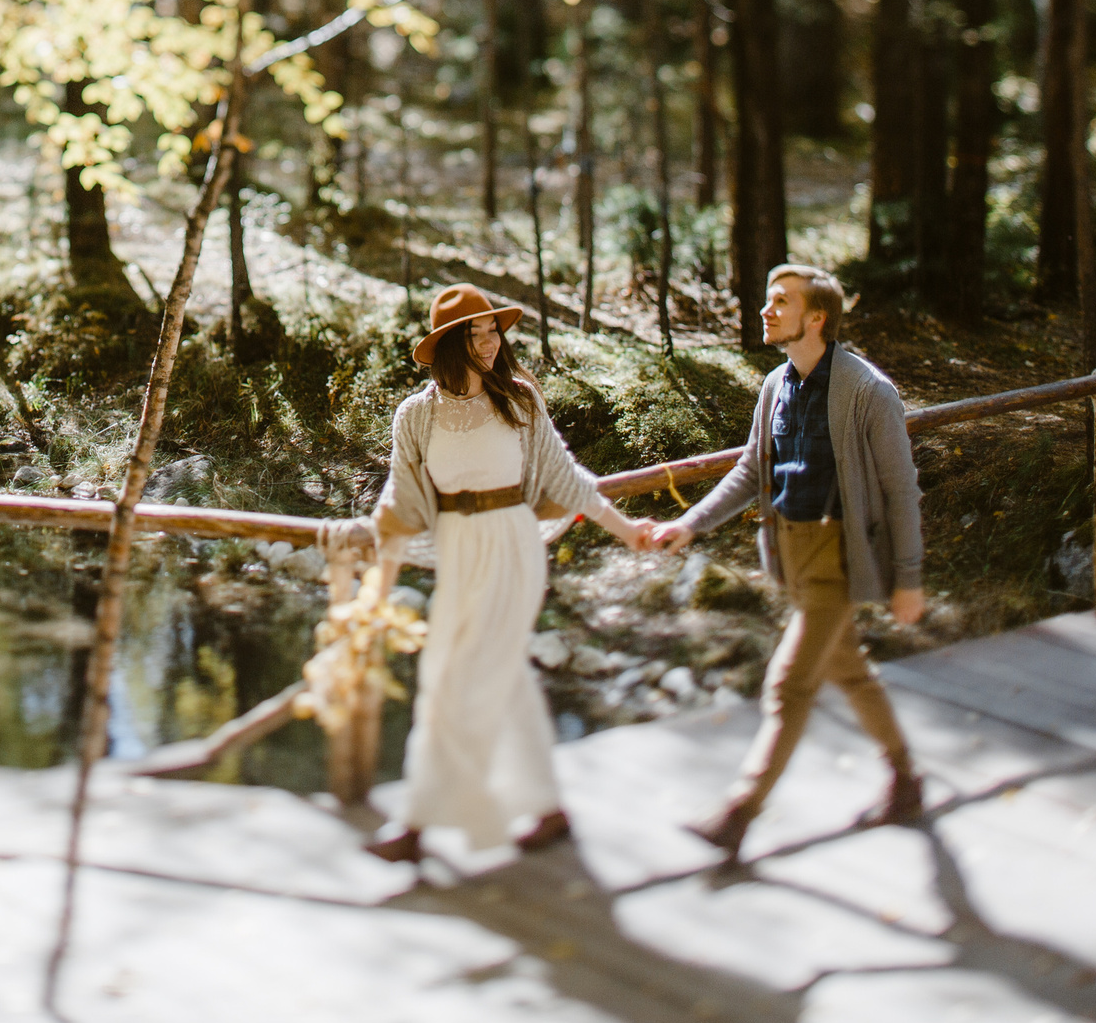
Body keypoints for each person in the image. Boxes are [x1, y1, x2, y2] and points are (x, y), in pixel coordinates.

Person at [362, 283, 656, 865]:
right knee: (486, 676)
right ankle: (546, 808)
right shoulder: (416, 415)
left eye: (494, 330)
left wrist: (627, 530)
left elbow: (566, 478)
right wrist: (377, 588)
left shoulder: (519, 401)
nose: (491, 342)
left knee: (463, 679)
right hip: (457, 548)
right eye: (476, 334)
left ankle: (418, 821)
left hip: (512, 544)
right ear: (449, 344)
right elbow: (401, 505)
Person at [653, 264, 925, 858]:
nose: (766, 311)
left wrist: (908, 579)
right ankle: (907, 779)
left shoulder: (869, 392)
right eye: (768, 300)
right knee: (848, 669)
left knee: (788, 684)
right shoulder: (776, 386)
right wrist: (690, 523)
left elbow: (901, 489)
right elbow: (752, 471)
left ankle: (738, 814)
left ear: (817, 317)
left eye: (781, 302)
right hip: (793, 553)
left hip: (837, 556)